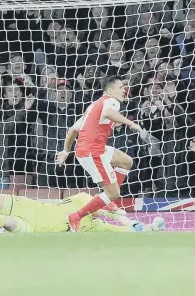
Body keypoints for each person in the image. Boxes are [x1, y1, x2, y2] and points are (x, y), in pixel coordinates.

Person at [56, 75, 143, 231]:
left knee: (126, 161)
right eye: (121, 88)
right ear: (110, 90)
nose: (124, 91)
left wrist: (65, 151)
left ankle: (109, 202)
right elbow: (108, 112)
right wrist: (130, 122)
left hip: (94, 148)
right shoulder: (111, 102)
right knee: (114, 192)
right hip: (92, 152)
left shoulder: (93, 107)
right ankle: (75, 216)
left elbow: (72, 131)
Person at [0, 180, 164, 233]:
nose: (102, 205)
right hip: (29, 206)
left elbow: (126, 228)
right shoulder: (81, 198)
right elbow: (111, 209)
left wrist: (145, 227)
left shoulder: (94, 226)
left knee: (5, 222)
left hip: (30, 226)